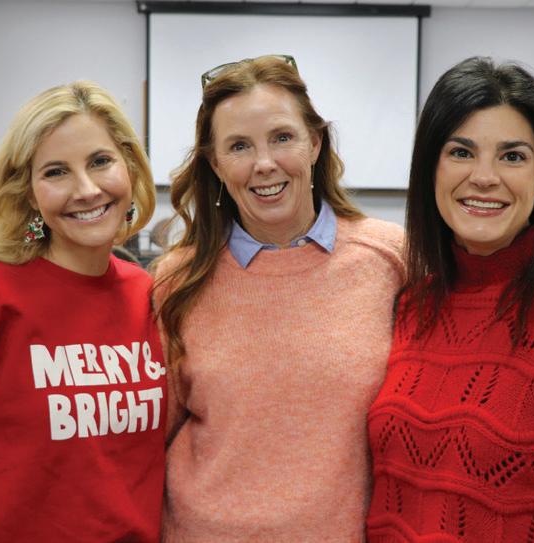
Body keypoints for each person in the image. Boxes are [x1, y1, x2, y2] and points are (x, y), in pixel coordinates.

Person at [153, 55, 404, 541]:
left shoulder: (390, 259)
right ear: (215, 164)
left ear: (315, 143)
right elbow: (151, 435)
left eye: (282, 137)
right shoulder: (177, 280)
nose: (264, 163)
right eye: (239, 146)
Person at [366, 57, 534, 542]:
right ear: (431, 169)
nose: (484, 177)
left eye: (513, 157)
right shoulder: (413, 306)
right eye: (461, 152)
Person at [0, 81, 167, 542]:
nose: (86, 190)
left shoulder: (150, 296)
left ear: (129, 166)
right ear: (29, 193)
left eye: (100, 161)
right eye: (56, 172)